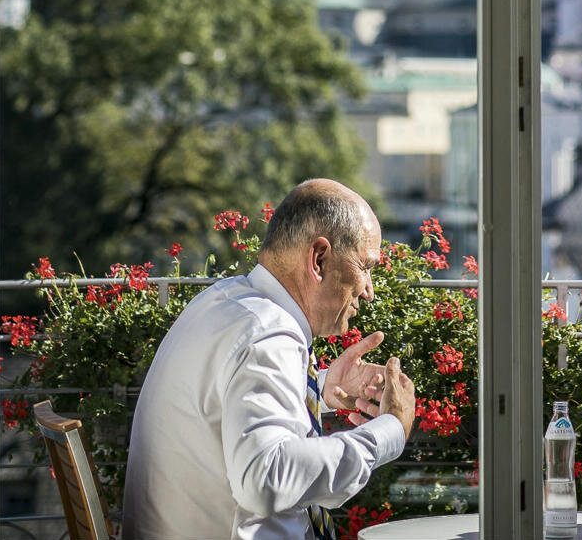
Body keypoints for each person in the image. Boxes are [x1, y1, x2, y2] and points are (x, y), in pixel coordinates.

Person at [125, 179, 417, 540]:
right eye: (365, 266)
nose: (369, 290)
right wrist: (387, 431)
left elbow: (227, 401)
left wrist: (320, 387)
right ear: (319, 259)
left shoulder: (225, 301)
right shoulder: (268, 335)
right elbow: (266, 480)